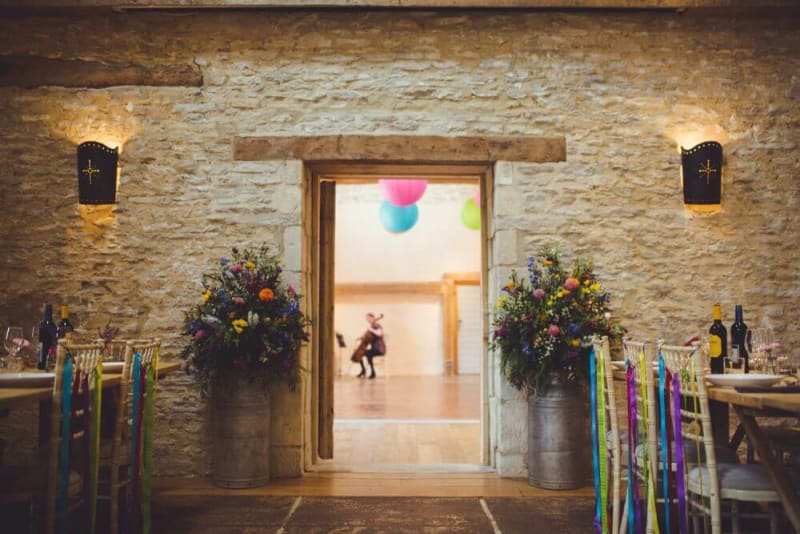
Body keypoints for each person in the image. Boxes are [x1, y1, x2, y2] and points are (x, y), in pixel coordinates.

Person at [357, 312, 385, 379]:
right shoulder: (371, 327)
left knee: (368, 354)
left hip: (379, 349)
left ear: (373, 318)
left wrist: (371, 329)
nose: (368, 320)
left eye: (369, 318)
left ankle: (372, 373)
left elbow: (380, 334)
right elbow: (368, 337)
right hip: (374, 348)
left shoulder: (377, 325)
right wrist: (361, 337)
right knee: (359, 353)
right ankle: (364, 370)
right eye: (367, 319)